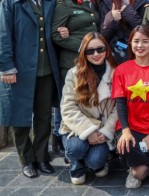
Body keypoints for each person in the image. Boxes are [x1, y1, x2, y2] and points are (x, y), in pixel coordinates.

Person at [0, 0, 62, 178]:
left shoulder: (50, 2)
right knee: (19, 117)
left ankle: (41, 156)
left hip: (46, 70)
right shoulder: (10, 3)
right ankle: (26, 159)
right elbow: (3, 37)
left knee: (43, 117)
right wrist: (7, 68)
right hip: (19, 71)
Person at [51, 0, 101, 149]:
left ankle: (89, 138)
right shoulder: (64, 4)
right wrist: (85, 47)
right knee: (69, 102)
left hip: (92, 62)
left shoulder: (93, 4)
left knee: (87, 102)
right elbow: (56, 34)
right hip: (71, 62)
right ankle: (64, 142)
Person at [112, 25, 149, 189]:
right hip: (130, 127)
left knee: (140, 172)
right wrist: (125, 131)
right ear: (130, 44)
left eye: (145, 41)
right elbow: (120, 103)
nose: (140, 45)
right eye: (136, 41)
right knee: (135, 164)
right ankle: (144, 159)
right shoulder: (122, 70)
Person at [59, 32, 118, 185]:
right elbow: (68, 107)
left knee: (95, 162)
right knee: (76, 149)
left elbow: (118, 108)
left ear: (107, 50)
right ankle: (76, 164)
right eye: (90, 51)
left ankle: (94, 161)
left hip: (103, 128)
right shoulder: (74, 73)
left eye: (100, 49)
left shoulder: (116, 73)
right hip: (78, 127)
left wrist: (106, 132)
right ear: (84, 53)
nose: (96, 54)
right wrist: (89, 131)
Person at [99, 0, 146, 64]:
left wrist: (130, 14)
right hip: (113, 54)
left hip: (136, 52)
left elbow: (145, 31)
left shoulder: (142, 1)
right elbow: (103, 36)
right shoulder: (106, 1)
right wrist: (112, 18)